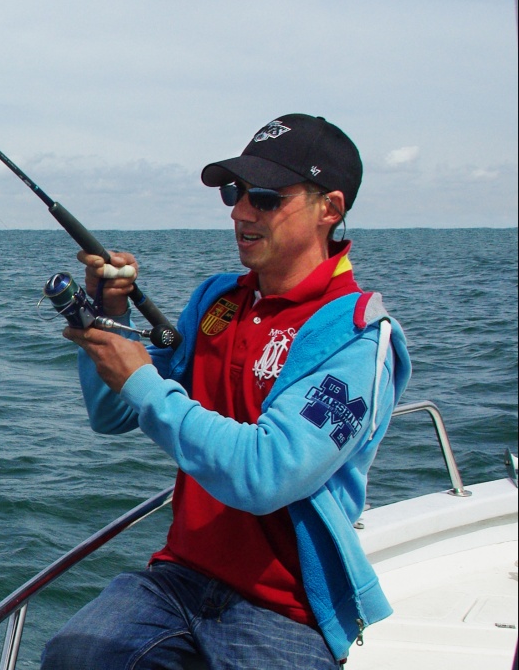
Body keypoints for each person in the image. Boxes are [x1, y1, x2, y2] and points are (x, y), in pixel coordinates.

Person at [41, 114, 411, 669]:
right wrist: (109, 319)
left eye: (264, 196)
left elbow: (266, 473)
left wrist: (143, 379)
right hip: (180, 577)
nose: (240, 211)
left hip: (286, 611)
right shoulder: (216, 300)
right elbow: (113, 413)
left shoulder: (358, 335)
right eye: (236, 193)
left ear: (329, 209)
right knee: (73, 655)